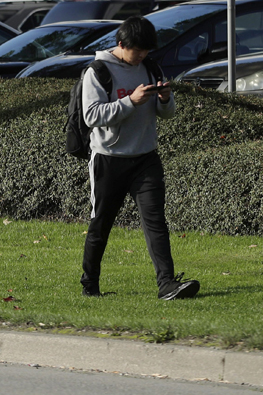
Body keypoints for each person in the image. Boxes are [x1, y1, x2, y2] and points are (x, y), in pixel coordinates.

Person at [79, 16, 200, 300]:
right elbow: (91, 116)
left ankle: (167, 284)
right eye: (138, 51)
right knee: (101, 223)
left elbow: (167, 115)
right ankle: (90, 285)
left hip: (146, 158)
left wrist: (165, 100)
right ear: (121, 45)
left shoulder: (150, 68)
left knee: (156, 220)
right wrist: (129, 101)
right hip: (109, 159)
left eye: (147, 51)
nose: (143, 56)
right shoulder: (97, 71)